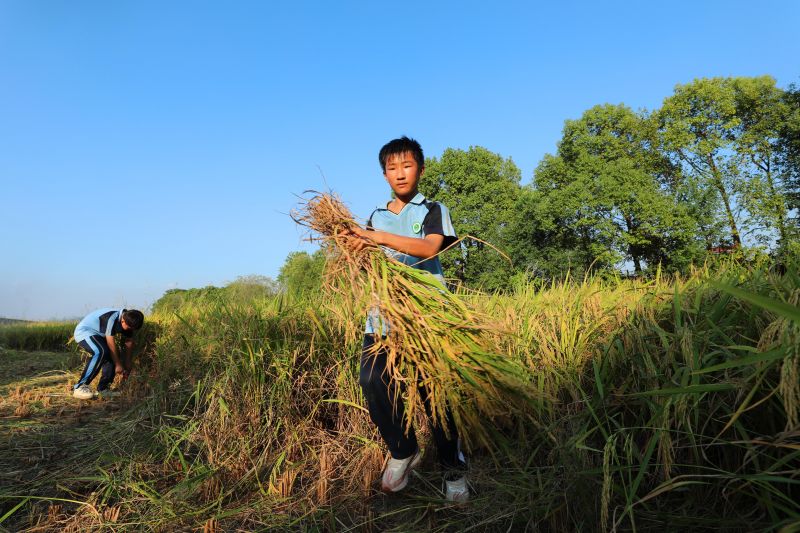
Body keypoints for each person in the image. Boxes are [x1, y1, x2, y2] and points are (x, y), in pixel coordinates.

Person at [348, 136, 468, 503]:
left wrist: (377, 238)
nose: (400, 173)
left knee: (437, 395)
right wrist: (354, 246)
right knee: (371, 378)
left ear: (420, 168)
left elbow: (430, 247)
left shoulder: (432, 209)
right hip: (383, 317)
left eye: (407, 165)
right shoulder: (374, 217)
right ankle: (403, 450)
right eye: (392, 168)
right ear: (384, 174)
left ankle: (453, 469)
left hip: (428, 315)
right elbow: (368, 260)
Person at [72, 308, 144, 399]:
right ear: (123, 321)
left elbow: (129, 343)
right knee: (101, 351)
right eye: (129, 328)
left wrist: (128, 362)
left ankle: (103, 389)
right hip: (85, 332)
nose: (130, 330)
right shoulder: (111, 318)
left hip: (98, 336)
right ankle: (80, 387)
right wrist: (118, 364)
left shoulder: (130, 320)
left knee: (110, 355)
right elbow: (110, 343)